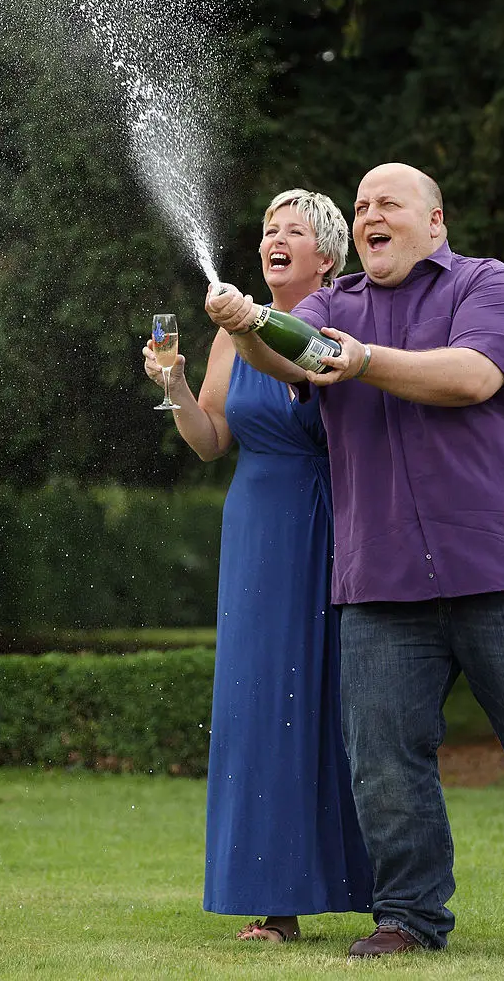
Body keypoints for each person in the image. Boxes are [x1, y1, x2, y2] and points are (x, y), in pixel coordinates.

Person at [204, 163, 504, 964]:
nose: (369, 213)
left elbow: (472, 376)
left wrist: (363, 360)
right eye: (361, 205)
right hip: (384, 576)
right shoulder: (332, 304)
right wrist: (247, 325)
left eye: (386, 203)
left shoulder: (489, 285)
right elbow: (294, 357)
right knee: (385, 763)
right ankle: (407, 917)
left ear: (433, 222)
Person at [144, 189, 374, 943]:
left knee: (335, 704)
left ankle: (383, 894)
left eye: (294, 231)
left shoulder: (343, 323)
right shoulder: (226, 337)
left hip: (331, 521)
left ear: (327, 259)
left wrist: (249, 328)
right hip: (255, 524)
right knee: (257, 707)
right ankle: (273, 902)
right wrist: (174, 386)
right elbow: (212, 439)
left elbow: (296, 371)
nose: (274, 238)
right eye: (269, 229)